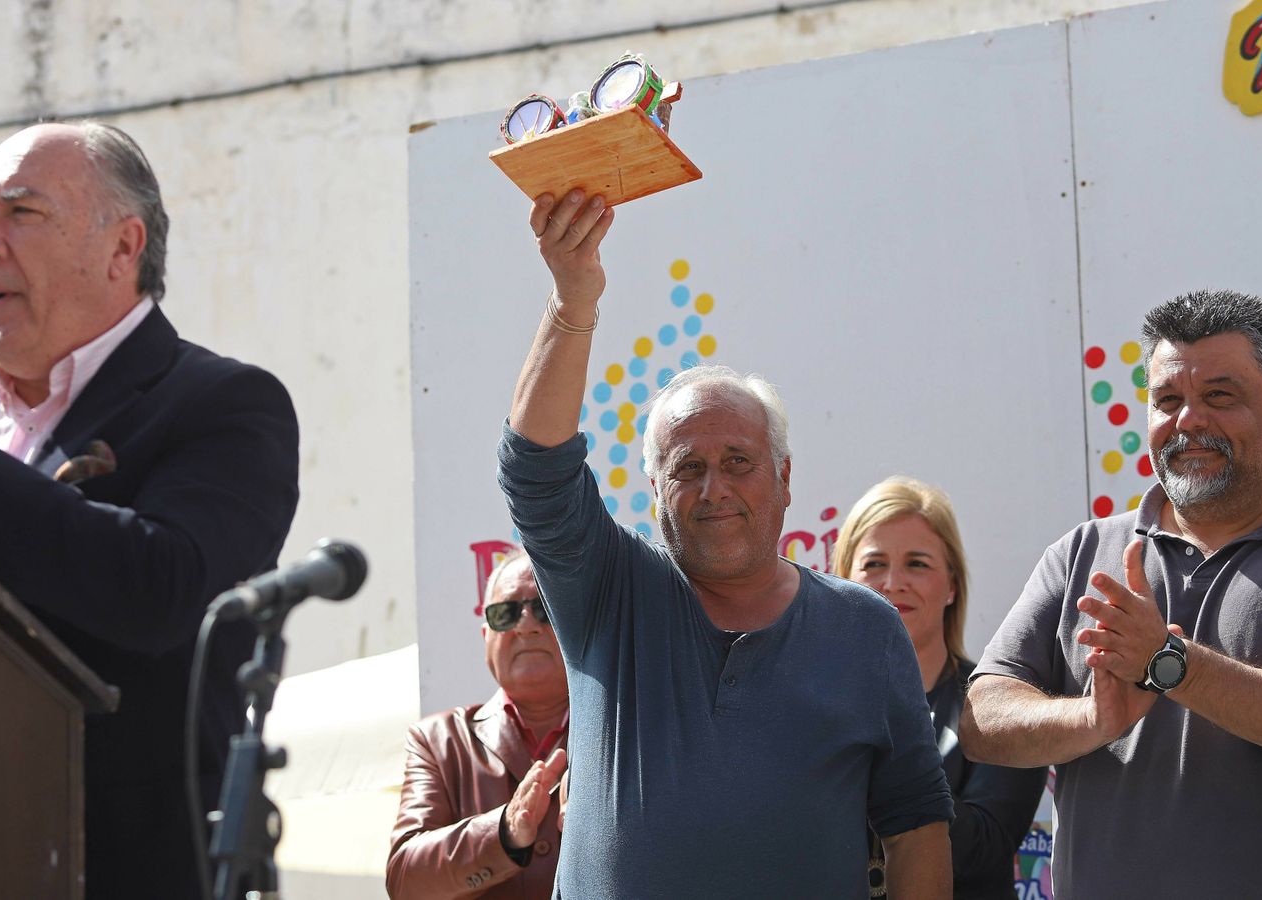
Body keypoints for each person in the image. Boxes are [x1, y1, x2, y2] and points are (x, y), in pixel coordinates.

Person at [0, 121, 300, 897]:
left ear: (122, 247)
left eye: (21, 213)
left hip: (120, 866)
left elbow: (163, 590)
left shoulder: (223, 405)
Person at [496, 189, 953, 898]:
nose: (715, 490)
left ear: (784, 477)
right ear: (653, 488)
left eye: (738, 461)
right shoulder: (610, 594)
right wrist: (573, 299)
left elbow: (916, 826)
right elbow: (535, 472)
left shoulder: (865, 629)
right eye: (688, 467)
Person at [961, 290, 1262, 897]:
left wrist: (1172, 668)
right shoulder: (1082, 553)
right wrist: (1090, 717)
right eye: (1168, 400)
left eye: (1219, 396)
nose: (1189, 419)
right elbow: (983, 718)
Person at [834, 477, 1048, 899]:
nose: (893, 581)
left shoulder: (999, 704)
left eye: (917, 563)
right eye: (874, 564)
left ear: (952, 585)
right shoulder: (807, 702)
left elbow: (984, 851)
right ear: (841, 582)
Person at [387, 551, 570, 899]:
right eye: (506, 613)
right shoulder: (437, 741)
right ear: (486, 636)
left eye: (545, 608)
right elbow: (405, 879)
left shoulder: (624, 731)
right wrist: (504, 832)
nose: (526, 625)